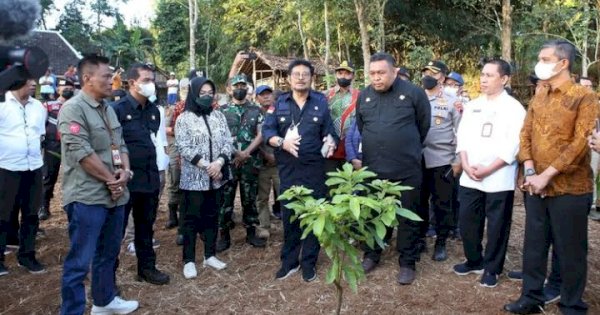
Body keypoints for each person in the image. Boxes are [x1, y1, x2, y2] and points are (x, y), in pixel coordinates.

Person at [505, 40, 598, 315]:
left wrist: (547, 175)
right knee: (534, 245)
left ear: (563, 63)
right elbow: (525, 134)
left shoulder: (585, 96)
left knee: (570, 251)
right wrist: (531, 170)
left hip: (571, 188)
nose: (539, 62)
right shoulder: (540, 93)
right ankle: (531, 297)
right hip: (535, 184)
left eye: (545, 58)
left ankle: (571, 304)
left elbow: (580, 143)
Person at [59, 55, 138, 315]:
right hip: (87, 197)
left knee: (108, 254)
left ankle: (104, 302)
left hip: (115, 195)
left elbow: (121, 145)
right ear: (87, 78)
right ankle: (72, 311)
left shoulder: (107, 108)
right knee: (79, 262)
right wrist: (111, 179)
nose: (111, 81)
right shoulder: (73, 109)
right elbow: (81, 153)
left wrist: (124, 173)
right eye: (106, 76)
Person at [356, 52, 430, 285]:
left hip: (406, 169)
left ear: (394, 71)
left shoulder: (414, 93)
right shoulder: (364, 96)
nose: (376, 78)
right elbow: (361, 125)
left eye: (381, 73)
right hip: (373, 171)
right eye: (372, 74)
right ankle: (372, 254)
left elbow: (423, 126)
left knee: (407, 216)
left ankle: (407, 261)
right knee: (373, 215)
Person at [262, 59, 337, 282]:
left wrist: (331, 140)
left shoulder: (321, 102)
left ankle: (309, 263)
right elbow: (267, 131)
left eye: (306, 74)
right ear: (289, 78)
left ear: (312, 78)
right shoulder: (279, 103)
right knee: (290, 216)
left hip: (314, 169)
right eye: (297, 74)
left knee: (314, 216)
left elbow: (330, 130)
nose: (301, 77)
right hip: (288, 170)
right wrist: (281, 142)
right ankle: (290, 262)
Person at [453, 58, 525, 289]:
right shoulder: (473, 105)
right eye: (482, 74)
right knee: (467, 221)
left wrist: (488, 168)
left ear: (504, 79)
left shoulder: (514, 108)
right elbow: (462, 136)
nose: (483, 79)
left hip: (497, 177)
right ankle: (474, 260)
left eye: (490, 75)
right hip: (469, 175)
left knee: (497, 226)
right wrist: (464, 163)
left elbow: (514, 146)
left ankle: (493, 268)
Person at [111, 63, 170, 286]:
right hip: (126, 181)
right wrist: (119, 171)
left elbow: (155, 143)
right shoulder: (117, 110)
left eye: (152, 80)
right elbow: (113, 145)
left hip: (149, 179)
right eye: (146, 80)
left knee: (146, 227)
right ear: (132, 83)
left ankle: (146, 268)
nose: (151, 84)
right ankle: (109, 277)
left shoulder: (154, 111)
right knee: (117, 232)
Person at [175, 76, 233, 279]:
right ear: (194, 94)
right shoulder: (184, 118)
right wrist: (206, 165)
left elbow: (227, 141)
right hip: (194, 180)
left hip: (216, 178)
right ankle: (189, 260)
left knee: (212, 217)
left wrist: (219, 162)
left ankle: (210, 255)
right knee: (191, 220)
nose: (207, 97)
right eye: (203, 93)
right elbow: (183, 146)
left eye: (210, 93)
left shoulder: (218, 116)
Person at [0, 79, 47, 276]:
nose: (33, 84)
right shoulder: (2, 104)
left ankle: (27, 255)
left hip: (34, 167)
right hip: (6, 167)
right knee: (3, 214)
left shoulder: (38, 107)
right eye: (28, 80)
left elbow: (40, 136)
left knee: (31, 214)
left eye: (35, 80)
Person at [217, 74, 267, 251]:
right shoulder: (221, 111)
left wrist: (246, 152)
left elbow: (261, 134)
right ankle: (223, 234)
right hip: (228, 162)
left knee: (249, 198)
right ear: (229, 89)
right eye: (236, 85)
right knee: (225, 198)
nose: (240, 89)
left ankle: (251, 233)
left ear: (247, 88)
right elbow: (219, 136)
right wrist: (236, 153)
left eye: (243, 85)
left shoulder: (256, 110)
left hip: (250, 161)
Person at [419, 60, 461, 261]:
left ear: (442, 77)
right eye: (425, 72)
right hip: (416, 159)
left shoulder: (453, 101)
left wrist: (458, 160)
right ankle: (419, 239)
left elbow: (462, 132)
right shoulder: (414, 98)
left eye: (433, 73)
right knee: (418, 202)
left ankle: (441, 242)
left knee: (442, 204)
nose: (428, 76)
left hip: (442, 160)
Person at [38, 79, 76, 221]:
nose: (67, 88)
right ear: (58, 89)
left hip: (72, 145)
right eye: (63, 86)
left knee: (74, 176)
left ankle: (72, 206)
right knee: (49, 176)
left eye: (70, 86)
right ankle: (44, 206)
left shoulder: (78, 106)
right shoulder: (48, 105)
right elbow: (41, 125)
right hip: (52, 145)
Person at [255, 85, 281, 237]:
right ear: (257, 98)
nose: (266, 97)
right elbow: (251, 140)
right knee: (262, 197)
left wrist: (276, 156)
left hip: (280, 163)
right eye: (262, 94)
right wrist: (265, 155)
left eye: (268, 94)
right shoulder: (254, 115)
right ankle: (264, 226)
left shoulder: (280, 113)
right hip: (262, 164)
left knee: (285, 195)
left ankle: (289, 225)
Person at [325, 61, 359, 173]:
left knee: (351, 184)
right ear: (336, 75)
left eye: (347, 73)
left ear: (353, 76)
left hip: (351, 148)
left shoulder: (360, 96)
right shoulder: (325, 95)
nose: (343, 76)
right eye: (340, 73)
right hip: (329, 146)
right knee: (330, 183)